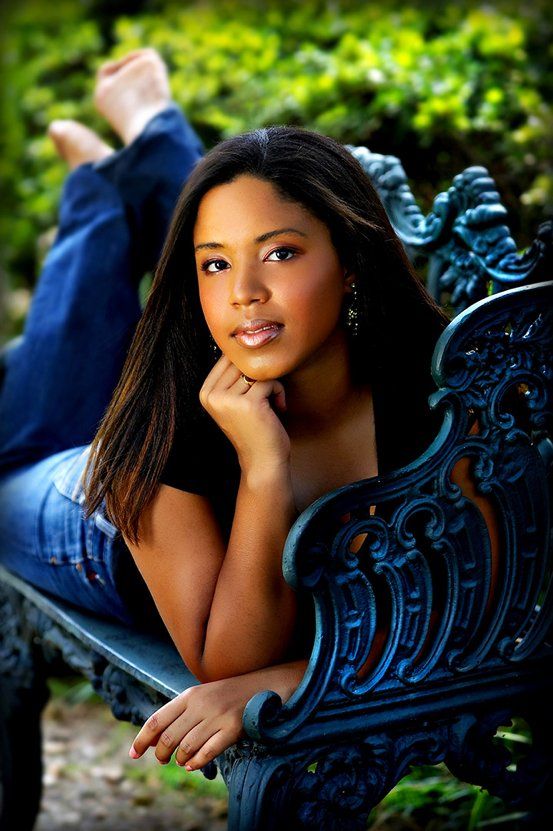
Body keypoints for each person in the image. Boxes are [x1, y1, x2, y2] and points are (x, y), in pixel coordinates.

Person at [0, 49, 453, 773]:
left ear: (349, 261)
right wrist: (264, 468)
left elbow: (470, 613)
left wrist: (293, 678)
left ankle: (131, 157)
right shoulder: (170, 414)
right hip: (87, 517)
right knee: (13, 462)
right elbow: (228, 660)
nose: (242, 291)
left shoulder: (438, 395)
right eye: (213, 263)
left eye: (280, 253)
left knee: (238, 212)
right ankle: (95, 192)